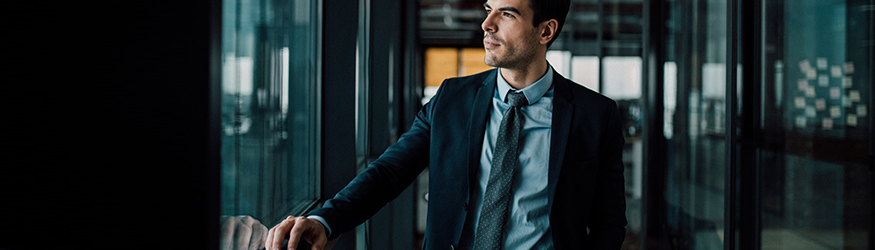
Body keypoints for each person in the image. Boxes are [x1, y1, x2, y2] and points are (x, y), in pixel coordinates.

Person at [268, 0, 627, 249]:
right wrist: (325, 220)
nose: (487, 24)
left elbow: (609, 222)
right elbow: (388, 173)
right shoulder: (452, 98)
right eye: (489, 10)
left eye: (507, 13)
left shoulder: (596, 115)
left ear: (545, 30)